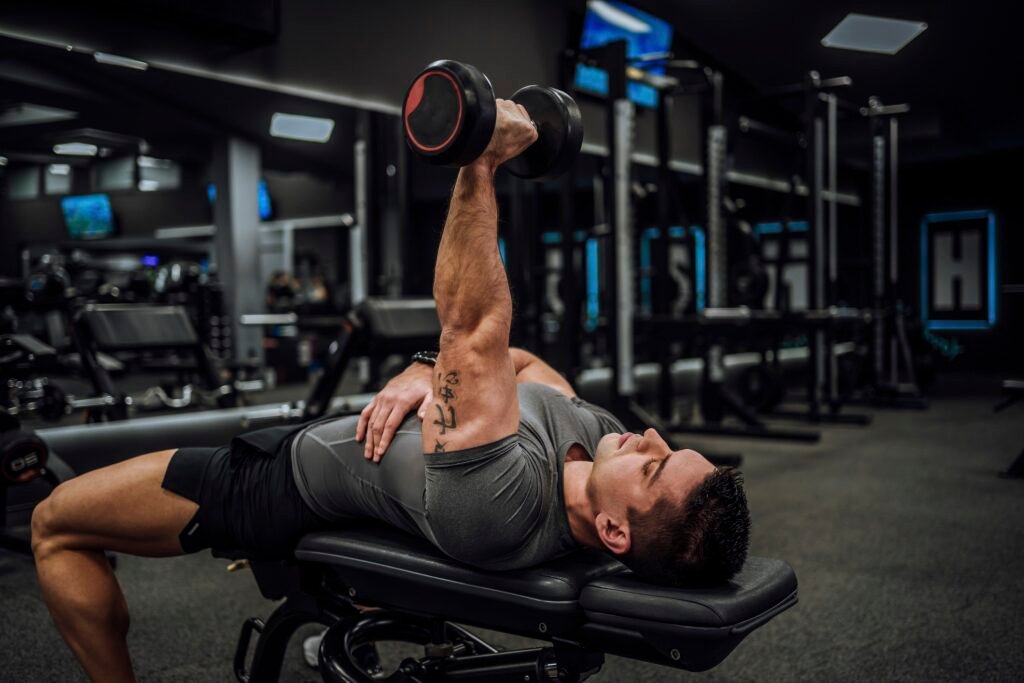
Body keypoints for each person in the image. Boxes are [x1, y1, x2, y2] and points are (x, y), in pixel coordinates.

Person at [30, 99, 750, 683]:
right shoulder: (598, 442)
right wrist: (419, 372)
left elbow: (473, 326)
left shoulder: (504, 502)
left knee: (55, 522)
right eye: (666, 444)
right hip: (356, 458)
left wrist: (482, 155)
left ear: (617, 533)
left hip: (273, 480)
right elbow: (524, 364)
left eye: (653, 464)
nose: (649, 436)